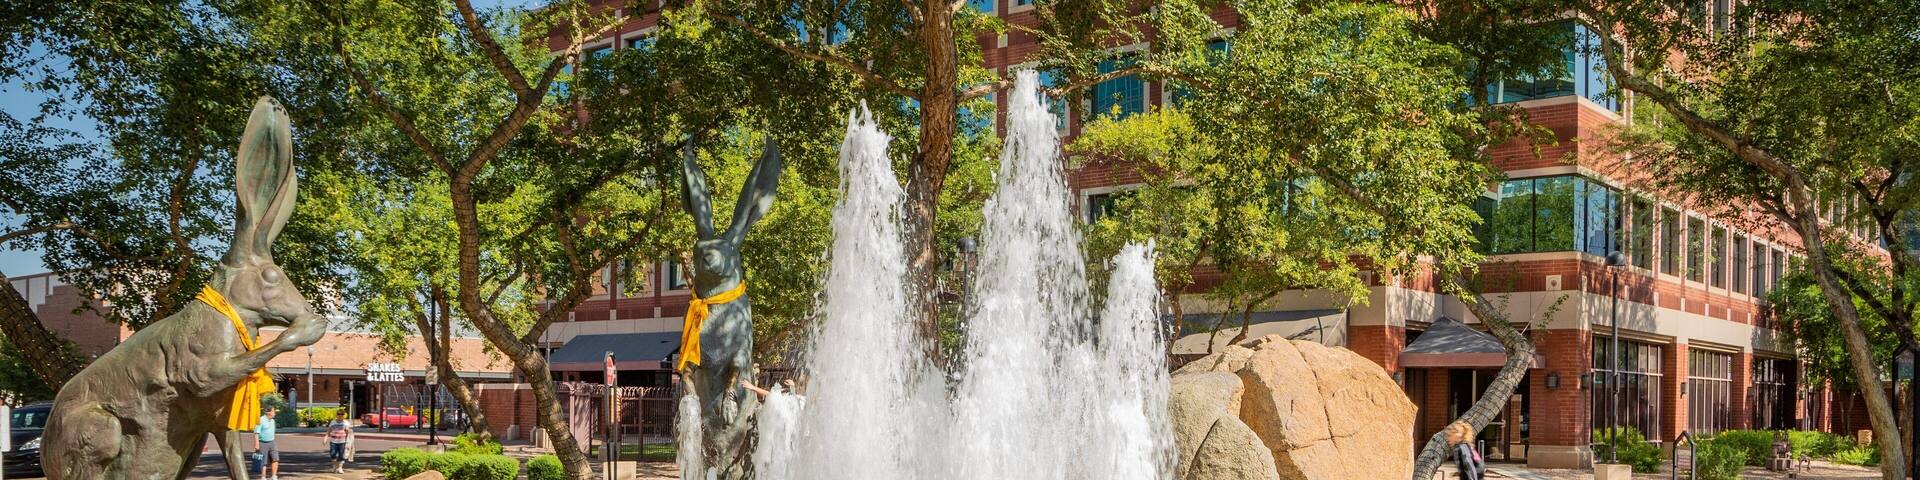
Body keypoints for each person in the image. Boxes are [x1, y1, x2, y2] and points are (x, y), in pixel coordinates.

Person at [255, 406, 280, 480]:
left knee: (275, 459)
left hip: (272, 442)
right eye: (274, 411)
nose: (275, 413)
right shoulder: (261, 420)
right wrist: (257, 444)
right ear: (269, 413)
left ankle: (274, 476)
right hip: (262, 443)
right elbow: (256, 433)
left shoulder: (273, 421)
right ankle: (263, 477)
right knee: (264, 461)